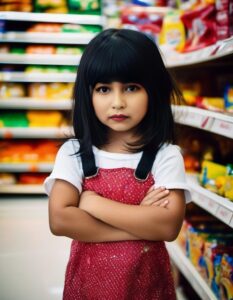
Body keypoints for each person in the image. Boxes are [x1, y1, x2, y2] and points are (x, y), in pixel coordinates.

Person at [44, 28, 191, 300]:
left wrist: (93, 204)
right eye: (103, 89)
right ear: (87, 94)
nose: (118, 102)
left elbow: (168, 227)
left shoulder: (166, 155)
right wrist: (141, 223)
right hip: (88, 289)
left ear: (154, 91)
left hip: (147, 289)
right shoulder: (74, 153)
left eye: (131, 88)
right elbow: (60, 220)